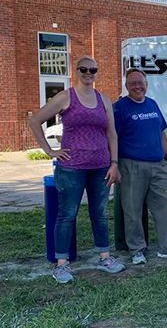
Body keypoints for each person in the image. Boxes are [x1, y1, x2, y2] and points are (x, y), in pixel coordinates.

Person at [28, 55, 125, 283]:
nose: (88, 73)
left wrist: (114, 163)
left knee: (99, 215)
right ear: (76, 70)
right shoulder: (65, 97)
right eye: (84, 69)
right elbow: (35, 121)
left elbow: (111, 133)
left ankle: (104, 257)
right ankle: (61, 264)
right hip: (71, 169)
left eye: (93, 69)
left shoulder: (104, 99)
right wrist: (50, 151)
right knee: (67, 215)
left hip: (101, 167)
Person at [113, 68, 167, 265]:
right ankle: (137, 250)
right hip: (131, 166)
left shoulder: (152, 104)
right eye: (133, 83)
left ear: (146, 84)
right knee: (132, 210)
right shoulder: (119, 108)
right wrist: (114, 164)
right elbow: (112, 138)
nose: (137, 86)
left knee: (165, 208)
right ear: (126, 86)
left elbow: (161, 133)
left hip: (158, 165)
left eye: (140, 82)